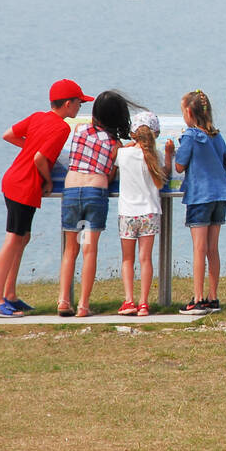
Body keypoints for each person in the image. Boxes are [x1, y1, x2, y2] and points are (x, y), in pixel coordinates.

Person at [0, 80, 86, 316]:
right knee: (13, 239)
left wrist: (28, 147)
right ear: (69, 104)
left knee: (23, 237)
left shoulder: (37, 117)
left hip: (13, 180)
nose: (80, 107)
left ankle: (9, 294)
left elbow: (8, 135)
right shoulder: (62, 129)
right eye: (79, 103)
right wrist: (49, 181)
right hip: (25, 185)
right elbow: (40, 158)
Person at [56, 90, 138, 317]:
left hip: (71, 190)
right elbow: (110, 175)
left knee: (70, 249)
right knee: (89, 249)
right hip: (95, 191)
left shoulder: (79, 130)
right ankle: (83, 305)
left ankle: (64, 300)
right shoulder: (115, 144)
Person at [174, 90, 226, 316]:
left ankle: (198, 299)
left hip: (200, 196)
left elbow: (179, 166)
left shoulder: (190, 136)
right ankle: (213, 296)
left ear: (189, 112)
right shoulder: (217, 136)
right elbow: (225, 161)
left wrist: (171, 151)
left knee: (198, 248)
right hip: (220, 194)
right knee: (212, 248)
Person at [115, 111, 173, 317]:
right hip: (150, 212)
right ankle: (143, 304)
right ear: (154, 134)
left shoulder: (123, 154)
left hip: (127, 213)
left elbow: (115, 166)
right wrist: (169, 155)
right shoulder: (154, 155)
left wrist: (125, 147)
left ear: (133, 134)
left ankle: (129, 300)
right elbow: (165, 174)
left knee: (127, 259)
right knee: (145, 259)